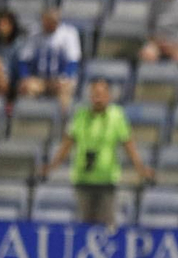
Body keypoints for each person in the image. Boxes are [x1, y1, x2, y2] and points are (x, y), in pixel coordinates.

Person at [42, 79, 155, 226]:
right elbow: (67, 144)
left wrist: (140, 168)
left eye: (101, 94)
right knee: (83, 225)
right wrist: (52, 165)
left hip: (107, 181)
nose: (98, 98)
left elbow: (129, 145)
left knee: (107, 225)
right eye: (94, 95)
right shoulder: (80, 116)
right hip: (83, 180)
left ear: (108, 96)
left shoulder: (117, 116)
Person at [17, 7, 83, 108]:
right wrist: (25, 77)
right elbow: (23, 60)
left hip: (61, 80)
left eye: (53, 21)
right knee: (26, 87)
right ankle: (29, 121)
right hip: (40, 79)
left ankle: (63, 121)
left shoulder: (69, 33)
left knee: (65, 90)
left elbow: (73, 61)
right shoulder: (34, 33)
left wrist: (64, 78)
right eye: (46, 21)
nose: (49, 24)